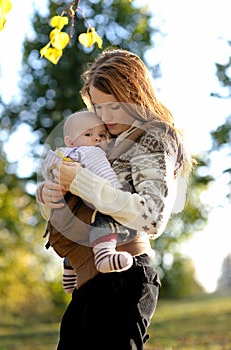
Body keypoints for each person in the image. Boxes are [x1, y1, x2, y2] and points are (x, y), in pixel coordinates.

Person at [38, 48, 194, 350]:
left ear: (135, 94)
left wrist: (79, 181)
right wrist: (48, 191)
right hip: (90, 281)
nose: (105, 118)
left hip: (123, 276)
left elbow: (152, 216)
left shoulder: (153, 135)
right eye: (98, 107)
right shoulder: (106, 141)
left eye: (113, 106)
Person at [41, 110, 135, 292]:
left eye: (101, 135)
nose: (97, 139)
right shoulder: (92, 153)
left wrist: (47, 185)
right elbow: (106, 176)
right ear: (70, 141)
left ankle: (69, 270)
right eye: (88, 134)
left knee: (75, 233)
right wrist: (116, 193)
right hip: (92, 206)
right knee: (107, 219)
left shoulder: (60, 154)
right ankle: (104, 254)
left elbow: (48, 168)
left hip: (68, 215)